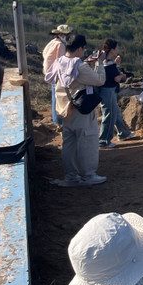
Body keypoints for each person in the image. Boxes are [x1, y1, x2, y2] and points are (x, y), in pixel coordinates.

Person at [46, 35, 107, 187]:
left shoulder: (59, 62)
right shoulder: (79, 66)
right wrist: (99, 63)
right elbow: (99, 80)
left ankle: (71, 176)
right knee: (87, 141)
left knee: (69, 144)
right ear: (79, 48)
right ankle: (88, 175)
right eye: (83, 48)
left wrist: (86, 63)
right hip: (81, 109)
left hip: (65, 109)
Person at [95, 39, 135, 148]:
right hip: (108, 90)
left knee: (115, 112)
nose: (118, 50)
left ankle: (123, 133)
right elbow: (116, 78)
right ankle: (103, 140)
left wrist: (116, 64)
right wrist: (122, 76)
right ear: (112, 50)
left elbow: (108, 73)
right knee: (109, 114)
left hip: (104, 90)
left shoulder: (104, 60)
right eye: (117, 48)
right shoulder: (109, 62)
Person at [42, 24, 74, 125]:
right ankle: (58, 121)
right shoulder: (61, 45)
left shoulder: (52, 42)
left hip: (49, 72)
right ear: (61, 35)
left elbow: (44, 53)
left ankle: (57, 120)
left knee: (54, 96)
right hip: (56, 74)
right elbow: (62, 62)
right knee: (58, 97)